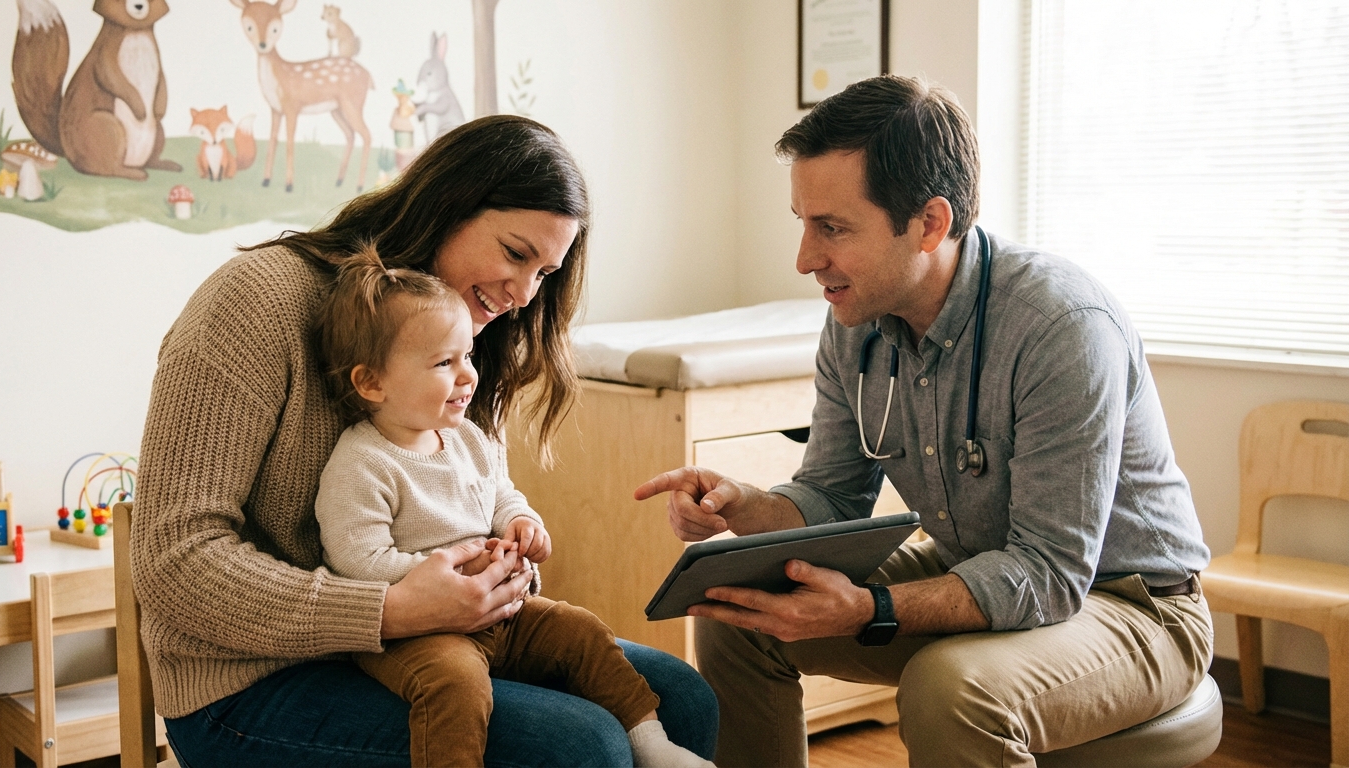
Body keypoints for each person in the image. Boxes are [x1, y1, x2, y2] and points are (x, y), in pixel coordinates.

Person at [635, 75, 1212, 767]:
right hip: (980, 558)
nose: (805, 259)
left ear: (931, 224)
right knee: (740, 608)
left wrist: (873, 609)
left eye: (834, 228)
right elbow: (833, 496)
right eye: (803, 222)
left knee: (949, 689)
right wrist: (748, 509)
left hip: (1128, 602)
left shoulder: (1061, 327)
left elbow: (1052, 574)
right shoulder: (855, 323)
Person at [132, 115, 717, 767]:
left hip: (443, 634)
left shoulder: (467, 334)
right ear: (447, 208)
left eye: (545, 272)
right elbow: (172, 559)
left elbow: (474, 504)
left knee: (683, 700)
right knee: (579, 746)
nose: (524, 295)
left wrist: (501, 566)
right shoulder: (258, 303)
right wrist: (387, 608)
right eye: (516, 254)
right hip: (249, 681)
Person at [313, 253, 714, 768]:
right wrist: (454, 574)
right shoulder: (362, 462)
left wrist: (522, 523)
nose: (467, 377)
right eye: (443, 363)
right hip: (416, 633)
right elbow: (356, 560)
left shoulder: (466, 438)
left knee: (581, 631)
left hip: (503, 614)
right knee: (455, 687)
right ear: (372, 383)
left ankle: (650, 743)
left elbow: (500, 494)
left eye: (468, 357)